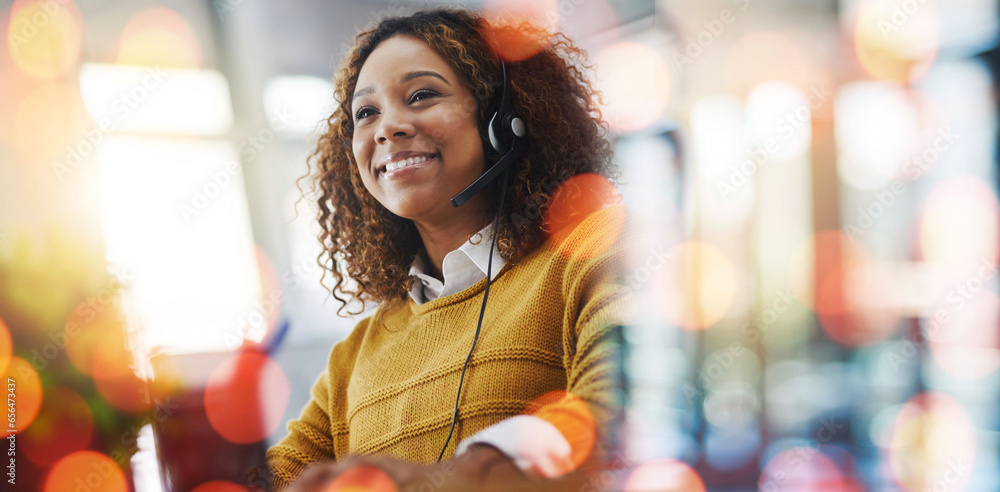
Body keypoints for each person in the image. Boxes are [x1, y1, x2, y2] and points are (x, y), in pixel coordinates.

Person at [265, 7, 633, 491]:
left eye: (422, 96)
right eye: (366, 112)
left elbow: (616, 422)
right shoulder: (354, 357)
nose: (387, 128)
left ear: (505, 119)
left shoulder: (589, 252)